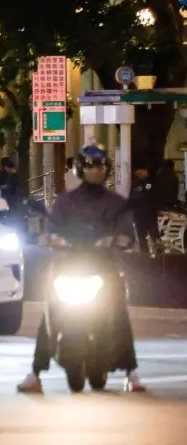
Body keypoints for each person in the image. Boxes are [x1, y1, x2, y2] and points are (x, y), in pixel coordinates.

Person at [17, 145, 145, 394]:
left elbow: (126, 233)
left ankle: (132, 372)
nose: (95, 170)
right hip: (69, 265)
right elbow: (52, 227)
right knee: (50, 311)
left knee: (119, 311)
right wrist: (50, 238)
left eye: (99, 166)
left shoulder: (116, 203)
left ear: (106, 169)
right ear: (80, 169)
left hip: (103, 266)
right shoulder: (65, 202)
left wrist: (118, 240)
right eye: (89, 166)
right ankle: (35, 372)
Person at [127, 162, 159, 256]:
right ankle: (145, 255)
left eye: (139, 173)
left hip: (149, 213)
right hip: (139, 215)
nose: (138, 174)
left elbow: (150, 196)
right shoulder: (136, 184)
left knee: (154, 235)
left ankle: (159, 254)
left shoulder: (151, 182)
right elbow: (132, 197)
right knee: (141, 236)